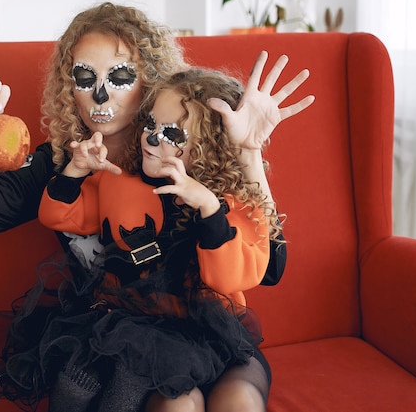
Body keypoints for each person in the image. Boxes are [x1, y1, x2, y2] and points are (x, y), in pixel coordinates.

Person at [0, 1, 314, 412]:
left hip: (207, 331)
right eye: (85, 77)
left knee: (238, 400)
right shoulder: (62, 163)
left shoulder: (190, 148)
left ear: (150, 81)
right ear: (69, 87)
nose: (100, 93)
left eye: (120, 76)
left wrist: (249, 152)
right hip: (113, 342)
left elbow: (270, 267)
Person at [35, 67, 276, 412]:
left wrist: (209, 208)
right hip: (135, 331)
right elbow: (58, 215)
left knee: (239, 402)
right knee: (174, 406)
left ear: (209, 147)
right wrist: (75, 170)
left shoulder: (230, 200)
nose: (151, 138)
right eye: (150, 124)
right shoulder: (118, 181)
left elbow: (232, 277)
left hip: (212, 337)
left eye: (173, 134)